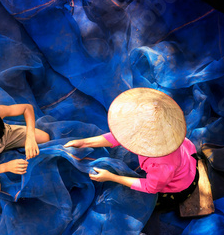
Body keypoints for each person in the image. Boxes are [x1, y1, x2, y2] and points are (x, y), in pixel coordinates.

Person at [64, 88, 199, 211]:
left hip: (180, 185)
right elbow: (120, 137)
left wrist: (112, 177)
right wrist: (84, 143)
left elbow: (150, 187)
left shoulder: (162, 165)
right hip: (185, 161)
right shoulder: (165, 130)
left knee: (145, 205)